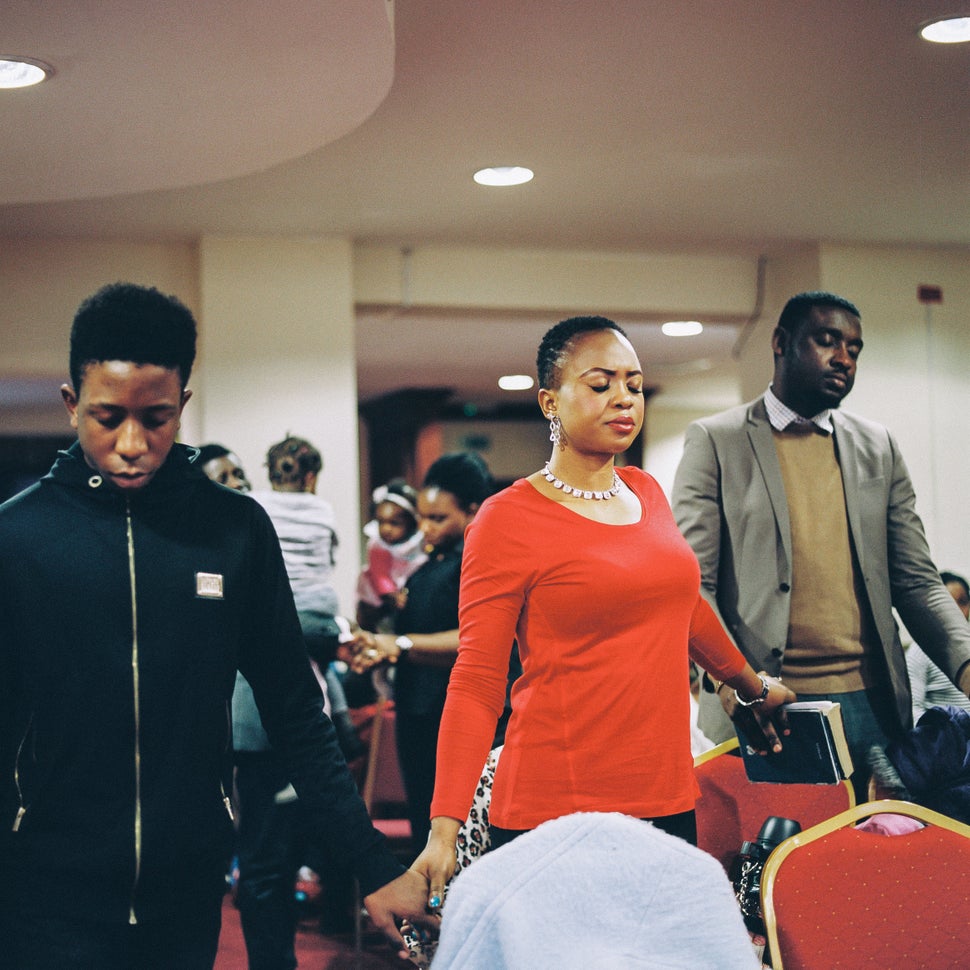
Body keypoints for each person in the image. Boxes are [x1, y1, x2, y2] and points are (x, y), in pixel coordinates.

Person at [0, 282, 434, 970]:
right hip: (44, 891)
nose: (133, 444)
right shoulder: (19, 537)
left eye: (157, 417)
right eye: (107, 417)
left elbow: (295, 709)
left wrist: (371, 862)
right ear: (69, 403)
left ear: (184, 407)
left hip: (186, 888)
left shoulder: (234, 532)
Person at [411, 316, 794, 910]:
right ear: (550, 402)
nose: (624, 398)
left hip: (666, 796)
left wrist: (748, 685)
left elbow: (684, 607)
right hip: (556, 808)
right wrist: (444, 829)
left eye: (635, 385)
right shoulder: (506, 519)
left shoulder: (646, 491)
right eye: (600, 383)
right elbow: (478, 679)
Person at [671, 290, 970, 801]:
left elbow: (918, 581)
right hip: (764, 707)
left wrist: (965, 664)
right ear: (781, 343)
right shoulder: (716, 441)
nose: (843, 359)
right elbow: (690, 586)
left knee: (876, 868)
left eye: (854, 349)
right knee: (766, 865)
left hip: (873, 706)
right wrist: (735, 683)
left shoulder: (879, 446)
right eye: (827, 341)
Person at [349, 452, 497, 855]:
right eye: (423, 517)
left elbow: (478, 638)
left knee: (459, 831)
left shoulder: (480, 559)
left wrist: (400, 644)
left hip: (456, 711)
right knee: (423, 820)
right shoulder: (432, 561)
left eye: (438, 519)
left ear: (472, 510)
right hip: (419, 707)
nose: (425, 529)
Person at [251, 435, 365, 763]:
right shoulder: (323, 511)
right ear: (311, 477)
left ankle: (324, 734)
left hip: (280, 614)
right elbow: (328, 561)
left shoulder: (257, 505)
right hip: (320, 615)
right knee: (320, 665)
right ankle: (341, 728)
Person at [355, 478, 427, 633]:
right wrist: (390, 594)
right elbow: (380, 575)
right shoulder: (378, 546)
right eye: (381, 522)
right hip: (382, 595)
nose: (386, 529)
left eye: (394, 523)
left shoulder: (417, 541)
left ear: (410, 522)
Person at [906, 571, 970, 722]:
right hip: (946, 737)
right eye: (950, 604)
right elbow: (913, 707)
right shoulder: (920, 651)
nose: (957, 611)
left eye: (962, 602)